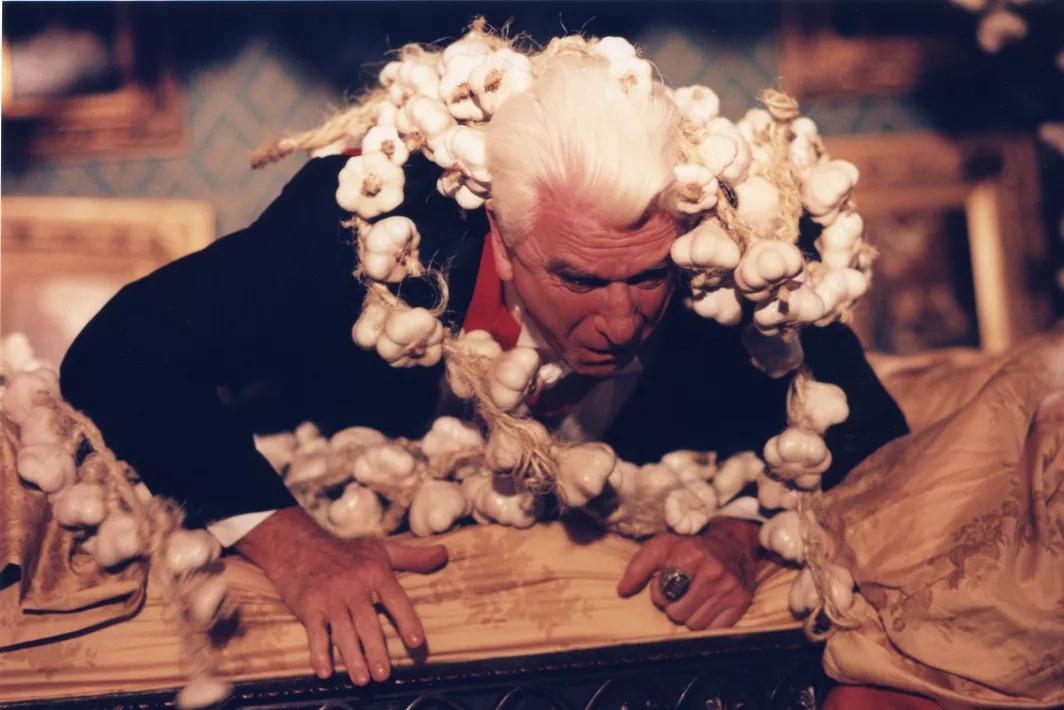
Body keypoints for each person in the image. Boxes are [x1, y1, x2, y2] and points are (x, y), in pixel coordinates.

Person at [59, 55, 908, 689]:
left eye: (649, 277)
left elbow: (869, 425)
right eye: (579, 278)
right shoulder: (354, 237)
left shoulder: (741, 256)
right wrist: (292, 544)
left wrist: (739, 532)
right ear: (502, 238)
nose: (622, 322)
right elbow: (116, 353)